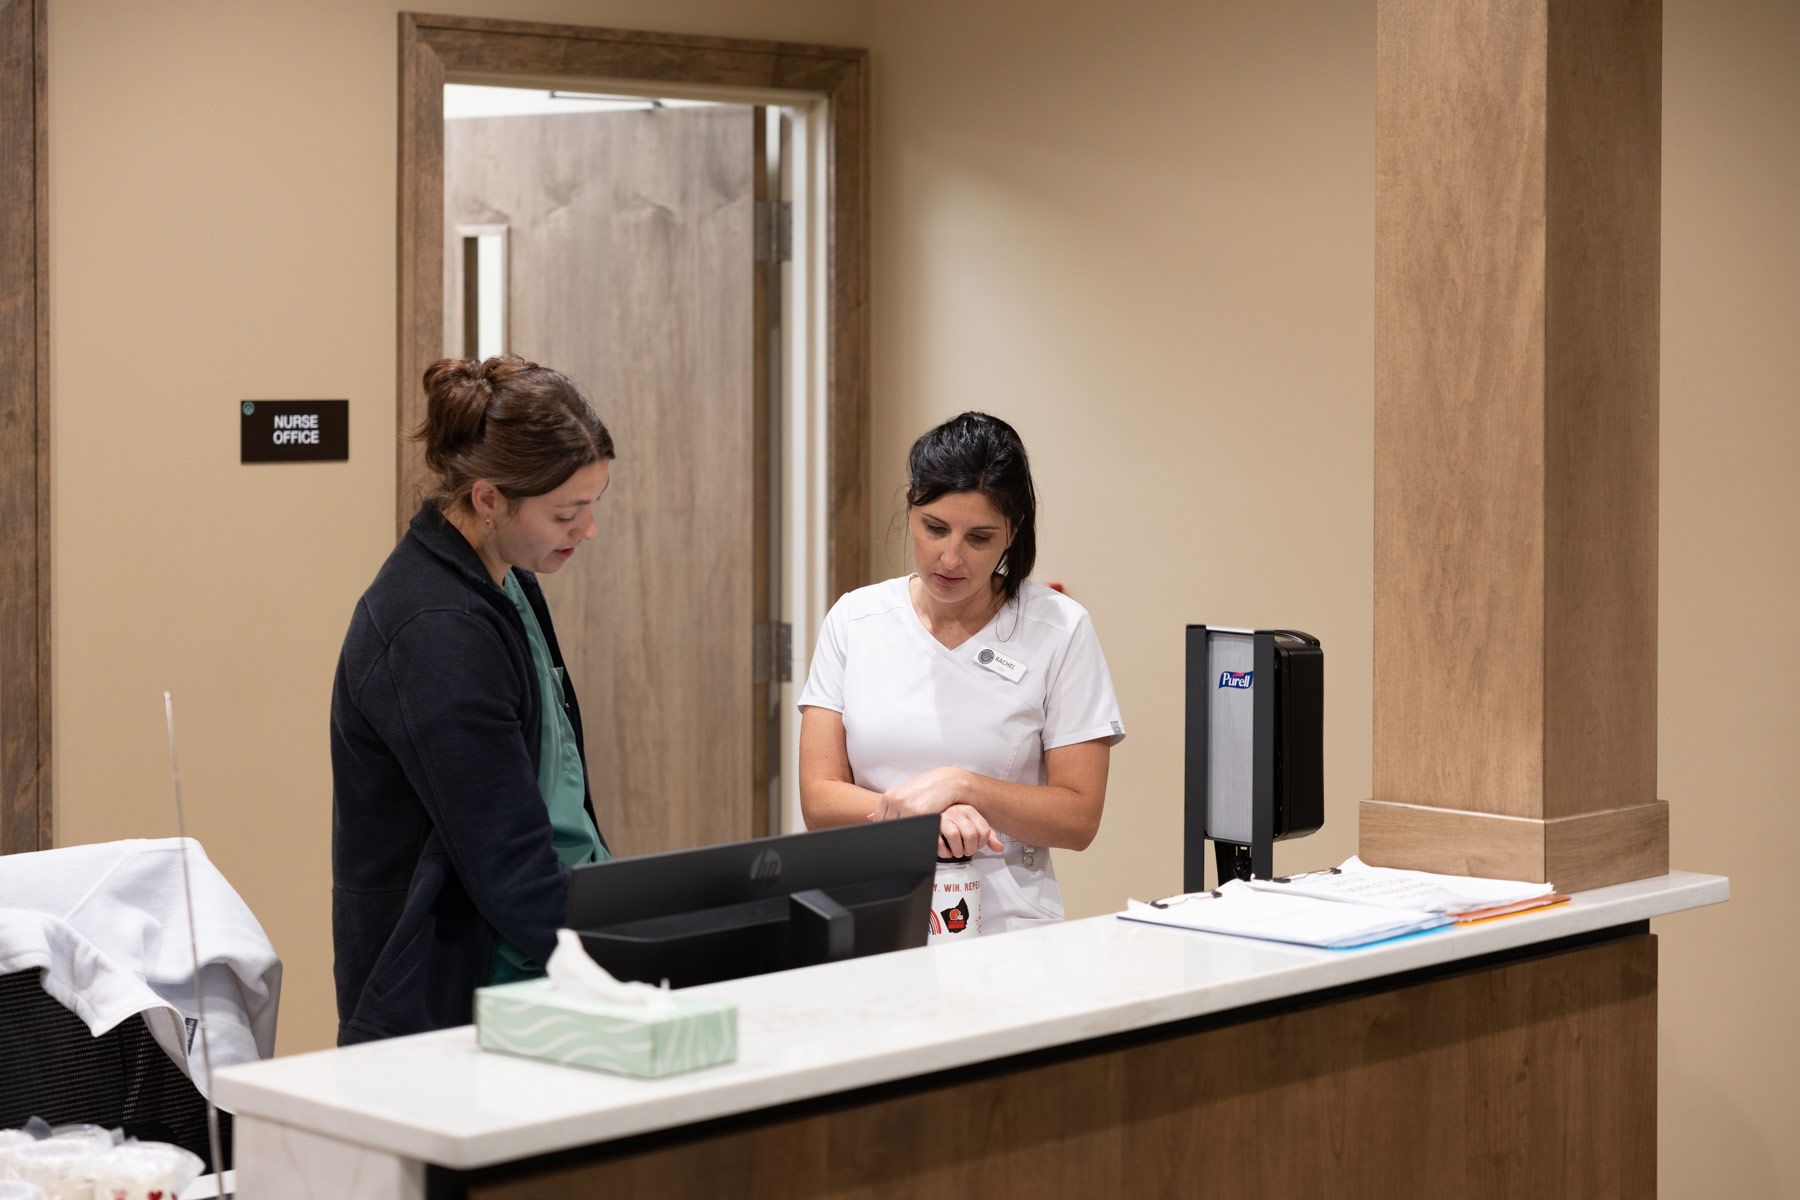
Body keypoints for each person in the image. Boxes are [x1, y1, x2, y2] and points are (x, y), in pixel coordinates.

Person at [330, 355, 614, 1044]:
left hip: (531, 948)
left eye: (591, 508)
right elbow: (504, 855)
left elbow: (553, 798)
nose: (587, 531)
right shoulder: (435, 630)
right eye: (566, 514)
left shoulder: (505, 582)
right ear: (488, 499)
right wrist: (614, 970)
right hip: (457, 990)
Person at [797, 412, 1124, 934]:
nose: (950, 557)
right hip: (871, 912)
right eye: (935, 529)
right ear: (910, 509)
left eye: (979, 537)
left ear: (1012, 534)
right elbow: (819, 797)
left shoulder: (1059, 630)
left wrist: (965, 787)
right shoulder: (855, 620)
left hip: (1008, 926)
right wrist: (923, 823)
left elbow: (1078, 817)